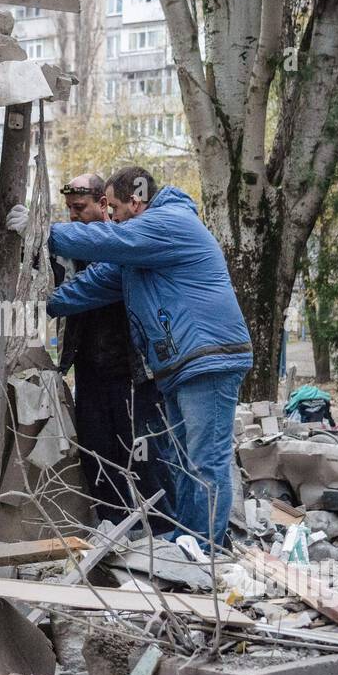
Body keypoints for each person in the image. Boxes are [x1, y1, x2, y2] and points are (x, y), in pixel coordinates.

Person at [46, 166, 252, 548]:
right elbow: (94, 285)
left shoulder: (167, 223)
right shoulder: (139, 252)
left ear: (136, 201)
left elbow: (108, 240)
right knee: (185, 462)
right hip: (180, 365)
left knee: (206, 461)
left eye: (115, 207)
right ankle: (187, 541)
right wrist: (47, 302)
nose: (111, 215)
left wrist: (43, 234)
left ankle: (205, 548)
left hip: (207, 358)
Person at [55, 174, 173, 524]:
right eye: (69, 210)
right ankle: (113, 530)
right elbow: (29, 249)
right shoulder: (72, 252)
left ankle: (166, 533)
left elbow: (94, 288)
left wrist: (53, 302)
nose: (73, 216)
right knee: (96, 454)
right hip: (90, 371)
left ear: (103, 205)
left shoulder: (125, 244)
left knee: (144, 457)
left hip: (133, 373)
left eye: (80, 208)